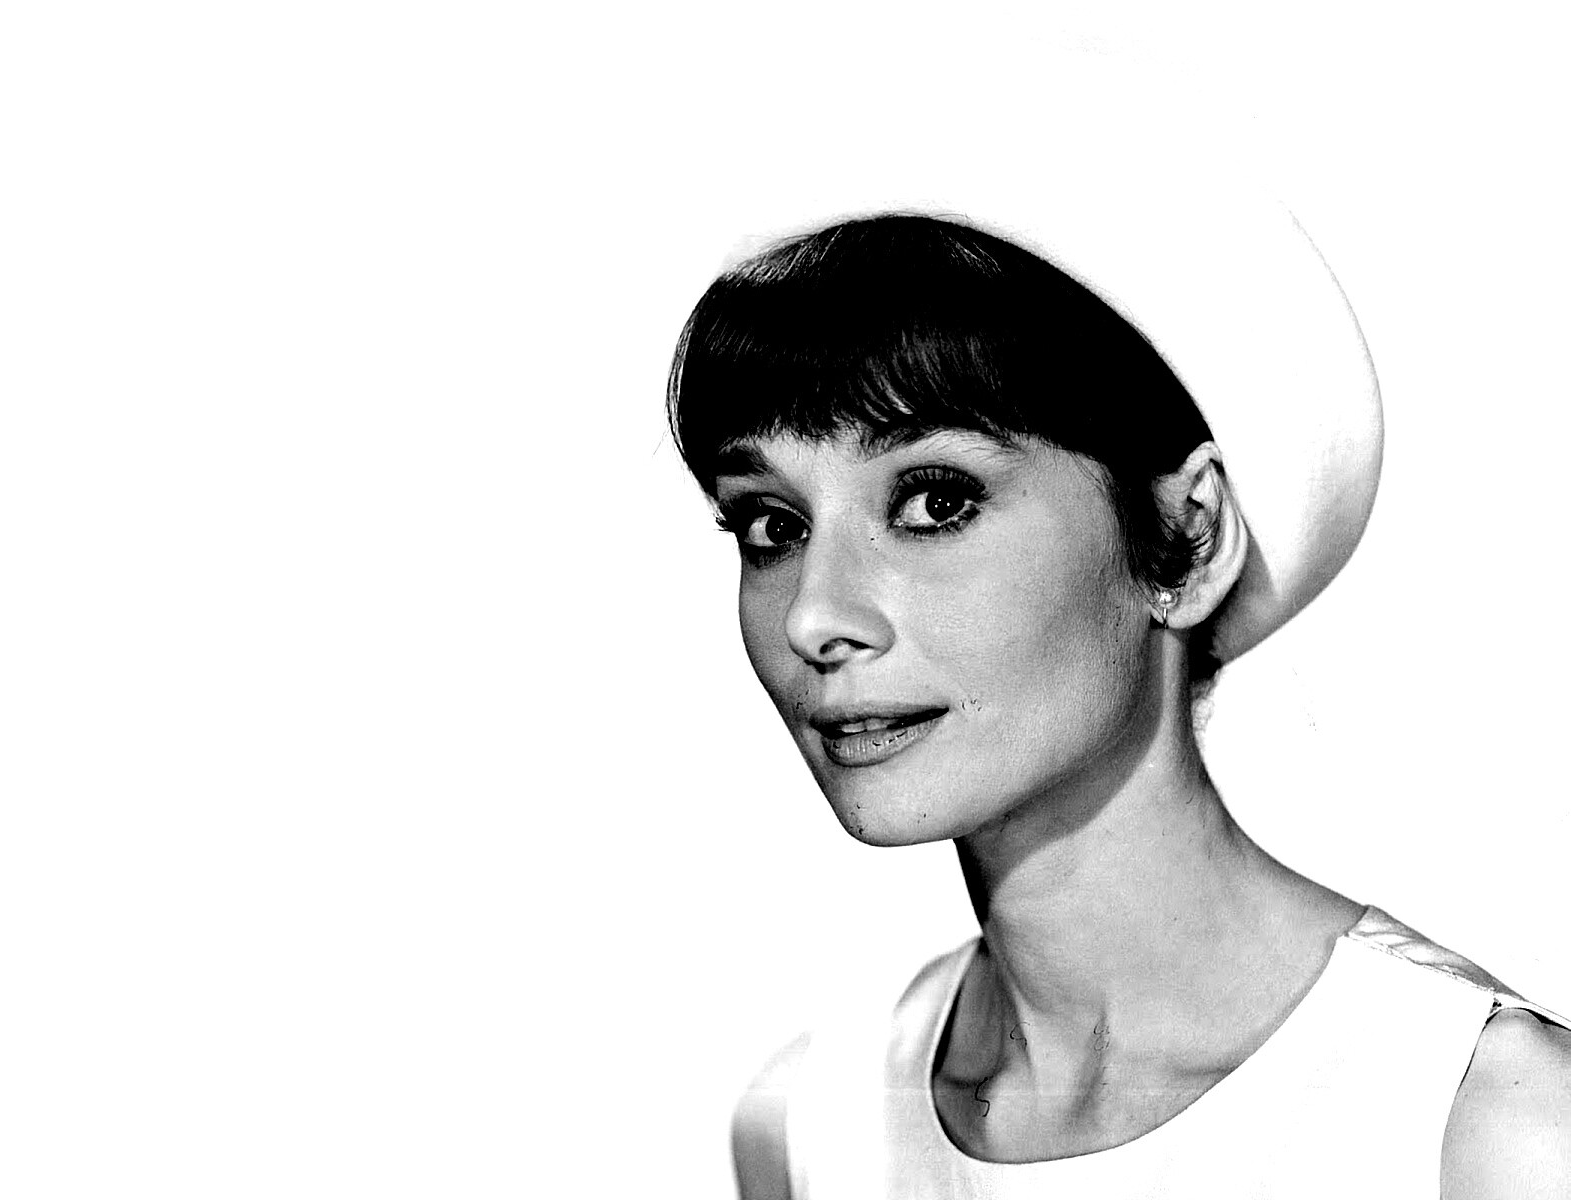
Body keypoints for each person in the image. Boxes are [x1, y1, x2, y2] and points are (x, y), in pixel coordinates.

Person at [668, 213, 1571, 1197]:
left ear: (1190, 537)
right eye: (773, 525)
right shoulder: (811, 1125)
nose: (814, 616)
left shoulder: (1486, 1122)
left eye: (935, 502)